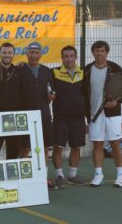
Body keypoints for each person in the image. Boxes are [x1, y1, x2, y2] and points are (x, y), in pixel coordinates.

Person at [84, 40, 122, 187]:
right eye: (97, 51)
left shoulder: (115, 68)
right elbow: (84, 92)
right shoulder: (87, 69)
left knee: (115, 143)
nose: (99, 53)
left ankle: (120, 175)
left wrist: (117, 102)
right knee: (97, 144)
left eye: (102, 51)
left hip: (113, 114)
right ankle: (98, 174)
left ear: (107, 52)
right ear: (93, 53)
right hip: (94, 114)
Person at [19, 42, 56, 189]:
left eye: (36, 53)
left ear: (41, 55)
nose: (34, 55)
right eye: (31, 52)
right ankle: (22, 176)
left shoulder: (47, 71)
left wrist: (52, 95)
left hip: (44, 115)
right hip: (25, 115)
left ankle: (43, 178)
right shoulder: (20, 70)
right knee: (24, 147)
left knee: (44, 147)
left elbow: (52, 90)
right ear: (27, 53)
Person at [52, 46, 86, 188]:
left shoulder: (83, 73)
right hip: (61, 118)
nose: (69, 59)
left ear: (76, 57)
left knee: (76, 147)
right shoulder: (54, 72)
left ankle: (72, 175)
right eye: (66, 56)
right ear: (62, 58)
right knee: (58, 148)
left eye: (71, 56)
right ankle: (59, 175)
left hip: (78, 118)